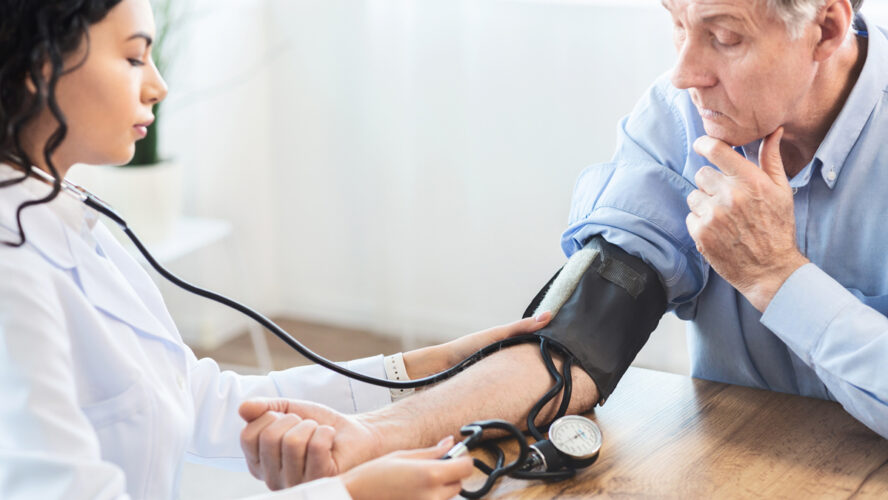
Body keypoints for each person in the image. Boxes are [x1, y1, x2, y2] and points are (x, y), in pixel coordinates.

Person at [240, 0, 888, 489]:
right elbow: (576, 342)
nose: (686, 73)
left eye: (724, 37)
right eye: (675, 23)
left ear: (827, 28)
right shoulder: (678, 118)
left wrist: (778, 277)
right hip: (737, 461)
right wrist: (373, 435)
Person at [0, 1, 555, 498]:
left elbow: (196, 399)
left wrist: (423, 367)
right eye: (133, 58)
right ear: (40, 65)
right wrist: (353, 494)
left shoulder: (68, 221)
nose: (158, 87)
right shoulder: (13, 269)